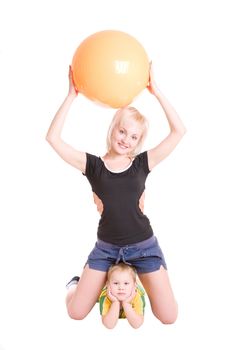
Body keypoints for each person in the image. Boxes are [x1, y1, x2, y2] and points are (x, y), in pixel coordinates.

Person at [46, 64, 186, 324]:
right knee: (75, 313)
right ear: (112, 129)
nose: (126, 139)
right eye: (122, 131)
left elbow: (179, 131)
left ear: (138, 142)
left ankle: (132, 287)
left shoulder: (142, 163)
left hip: (144, 248)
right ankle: (80, 283)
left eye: (133, 137)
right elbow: (53, 138)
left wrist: (156, 91)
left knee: (169, 317)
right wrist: (70, 96)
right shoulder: (93, 165)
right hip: (107, 249)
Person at [98, 262, 145, 329]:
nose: (121, 288)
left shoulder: (138, 296)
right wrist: (115, 302)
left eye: (126, 283)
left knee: (142, 286)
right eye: (116, 283)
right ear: (108, 285)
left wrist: (126, 303)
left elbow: (137, 325)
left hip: (134, 287)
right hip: (108, 289)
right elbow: (109, 325)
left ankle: (134, 282)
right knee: (95, 294)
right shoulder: (105, 297)